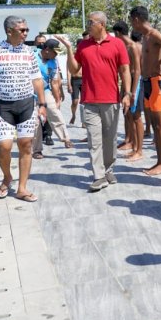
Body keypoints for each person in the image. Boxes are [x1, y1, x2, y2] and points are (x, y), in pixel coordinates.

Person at [58, 11, 131, 191]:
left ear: (102, 24)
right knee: (94, 140)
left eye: (91, 22)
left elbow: (125, 70)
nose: (88, 25)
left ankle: (109, 169)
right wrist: (68, 48)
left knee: (110, 139)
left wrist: (127, 93)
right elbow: (75, 70)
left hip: (111, 99)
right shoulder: (83, 45)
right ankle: (98, 176)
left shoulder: (117, 44)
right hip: (89, 100)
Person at [0, 16, 47, 203]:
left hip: (27, 104)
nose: (26, 33)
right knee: (4, 146)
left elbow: (37, 79)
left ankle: (22, 188)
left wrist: (42, 105)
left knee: (26, 145)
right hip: (4, 106)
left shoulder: (29, 52)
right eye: (22, 30)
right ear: (9, 31)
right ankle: (7, 177)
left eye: (27, 30)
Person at [129, 6, 161, 176]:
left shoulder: (154, 34)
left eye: (131, 20)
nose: (131, 24)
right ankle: (159, 161)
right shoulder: (145, 37)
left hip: (157, 83)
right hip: (147, 83)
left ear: (136, 19)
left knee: (159, 124)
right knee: (155, 126)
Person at [32, 39, 73, 158]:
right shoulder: (32, 57)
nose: (57, 54)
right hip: (29, 92)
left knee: (54, 111)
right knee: (35, 122)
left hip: (44, 90)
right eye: (55, 52)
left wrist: (57, 99)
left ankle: (66, 138)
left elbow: (54, 82)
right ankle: (36, 150)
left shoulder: (53, 61)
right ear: (46, 50)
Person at [113, 22, 145, 162]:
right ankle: (133, 144)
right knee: (129, 115)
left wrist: (132, 92)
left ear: (118, 33)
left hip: (135, 82)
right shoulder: (125, 46)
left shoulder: (133, 46)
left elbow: (137, 70)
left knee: (136, 117)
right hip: (128, 82)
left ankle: (139, 150)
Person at [67, 39, 84, 126]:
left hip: (84, 80)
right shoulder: (72, 56)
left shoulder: (85, 54)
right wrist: (69, 84)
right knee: (75, 101)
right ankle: (73, 115)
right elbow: (69, 71)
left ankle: (83, 122)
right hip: (75, 80)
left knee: (84, 102)